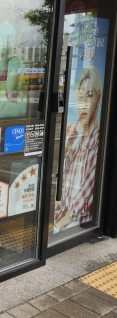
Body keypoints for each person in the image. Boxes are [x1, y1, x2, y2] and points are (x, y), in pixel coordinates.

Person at [54, 67, 102, 231]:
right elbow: (62, 181)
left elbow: (81, 202)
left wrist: (58, 226)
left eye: (89, 96)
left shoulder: (97, 142)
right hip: (62, 217)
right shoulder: (80, 139)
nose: (84, 104)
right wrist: (68, 143)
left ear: (98, 99)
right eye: (80, 97)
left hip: (74, 225)